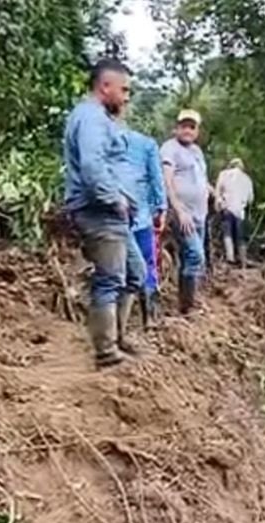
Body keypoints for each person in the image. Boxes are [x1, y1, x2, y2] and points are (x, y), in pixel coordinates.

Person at [62, 59, 144, 367]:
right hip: (100, 211)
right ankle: (106, 353)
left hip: (114, 215)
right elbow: (93, 166)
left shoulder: (102, 119)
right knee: (110, 279)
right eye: (124, 90)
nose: (126, 97)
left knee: (135, 275)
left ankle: (118, 338)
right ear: (105, 86)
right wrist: (115, 199)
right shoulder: (91, 118)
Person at [117, 117, 168, 327]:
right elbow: (157, 179)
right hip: (139, 217)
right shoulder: (146, 144)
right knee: (147, 263)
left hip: (110, 218)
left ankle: (117, 324)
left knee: (116, 266)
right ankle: (149, 316)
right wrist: (161, 208)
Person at [160, 109, 210, 315]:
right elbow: (167, 180)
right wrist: (179, 209)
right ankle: (187, 307)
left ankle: (187, 302)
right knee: (195, 256)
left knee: (193, 258)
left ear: (197, 131)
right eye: (184, 126)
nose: (188, 130)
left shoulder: (197, 152)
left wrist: (215, 194)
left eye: (192, 127)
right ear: (176, 128)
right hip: (183, 214)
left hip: (200, 214)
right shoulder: (170, 148)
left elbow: (202, 180)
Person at [215, 157, 254, 267]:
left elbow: (218, 191)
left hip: (227, 208)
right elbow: (251, 198)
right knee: (240, 236)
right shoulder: (247, 179)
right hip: (240, 211)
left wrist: (218, 204)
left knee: (227, 233)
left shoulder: (223, 174)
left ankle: (230, 257)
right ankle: (243, 260)